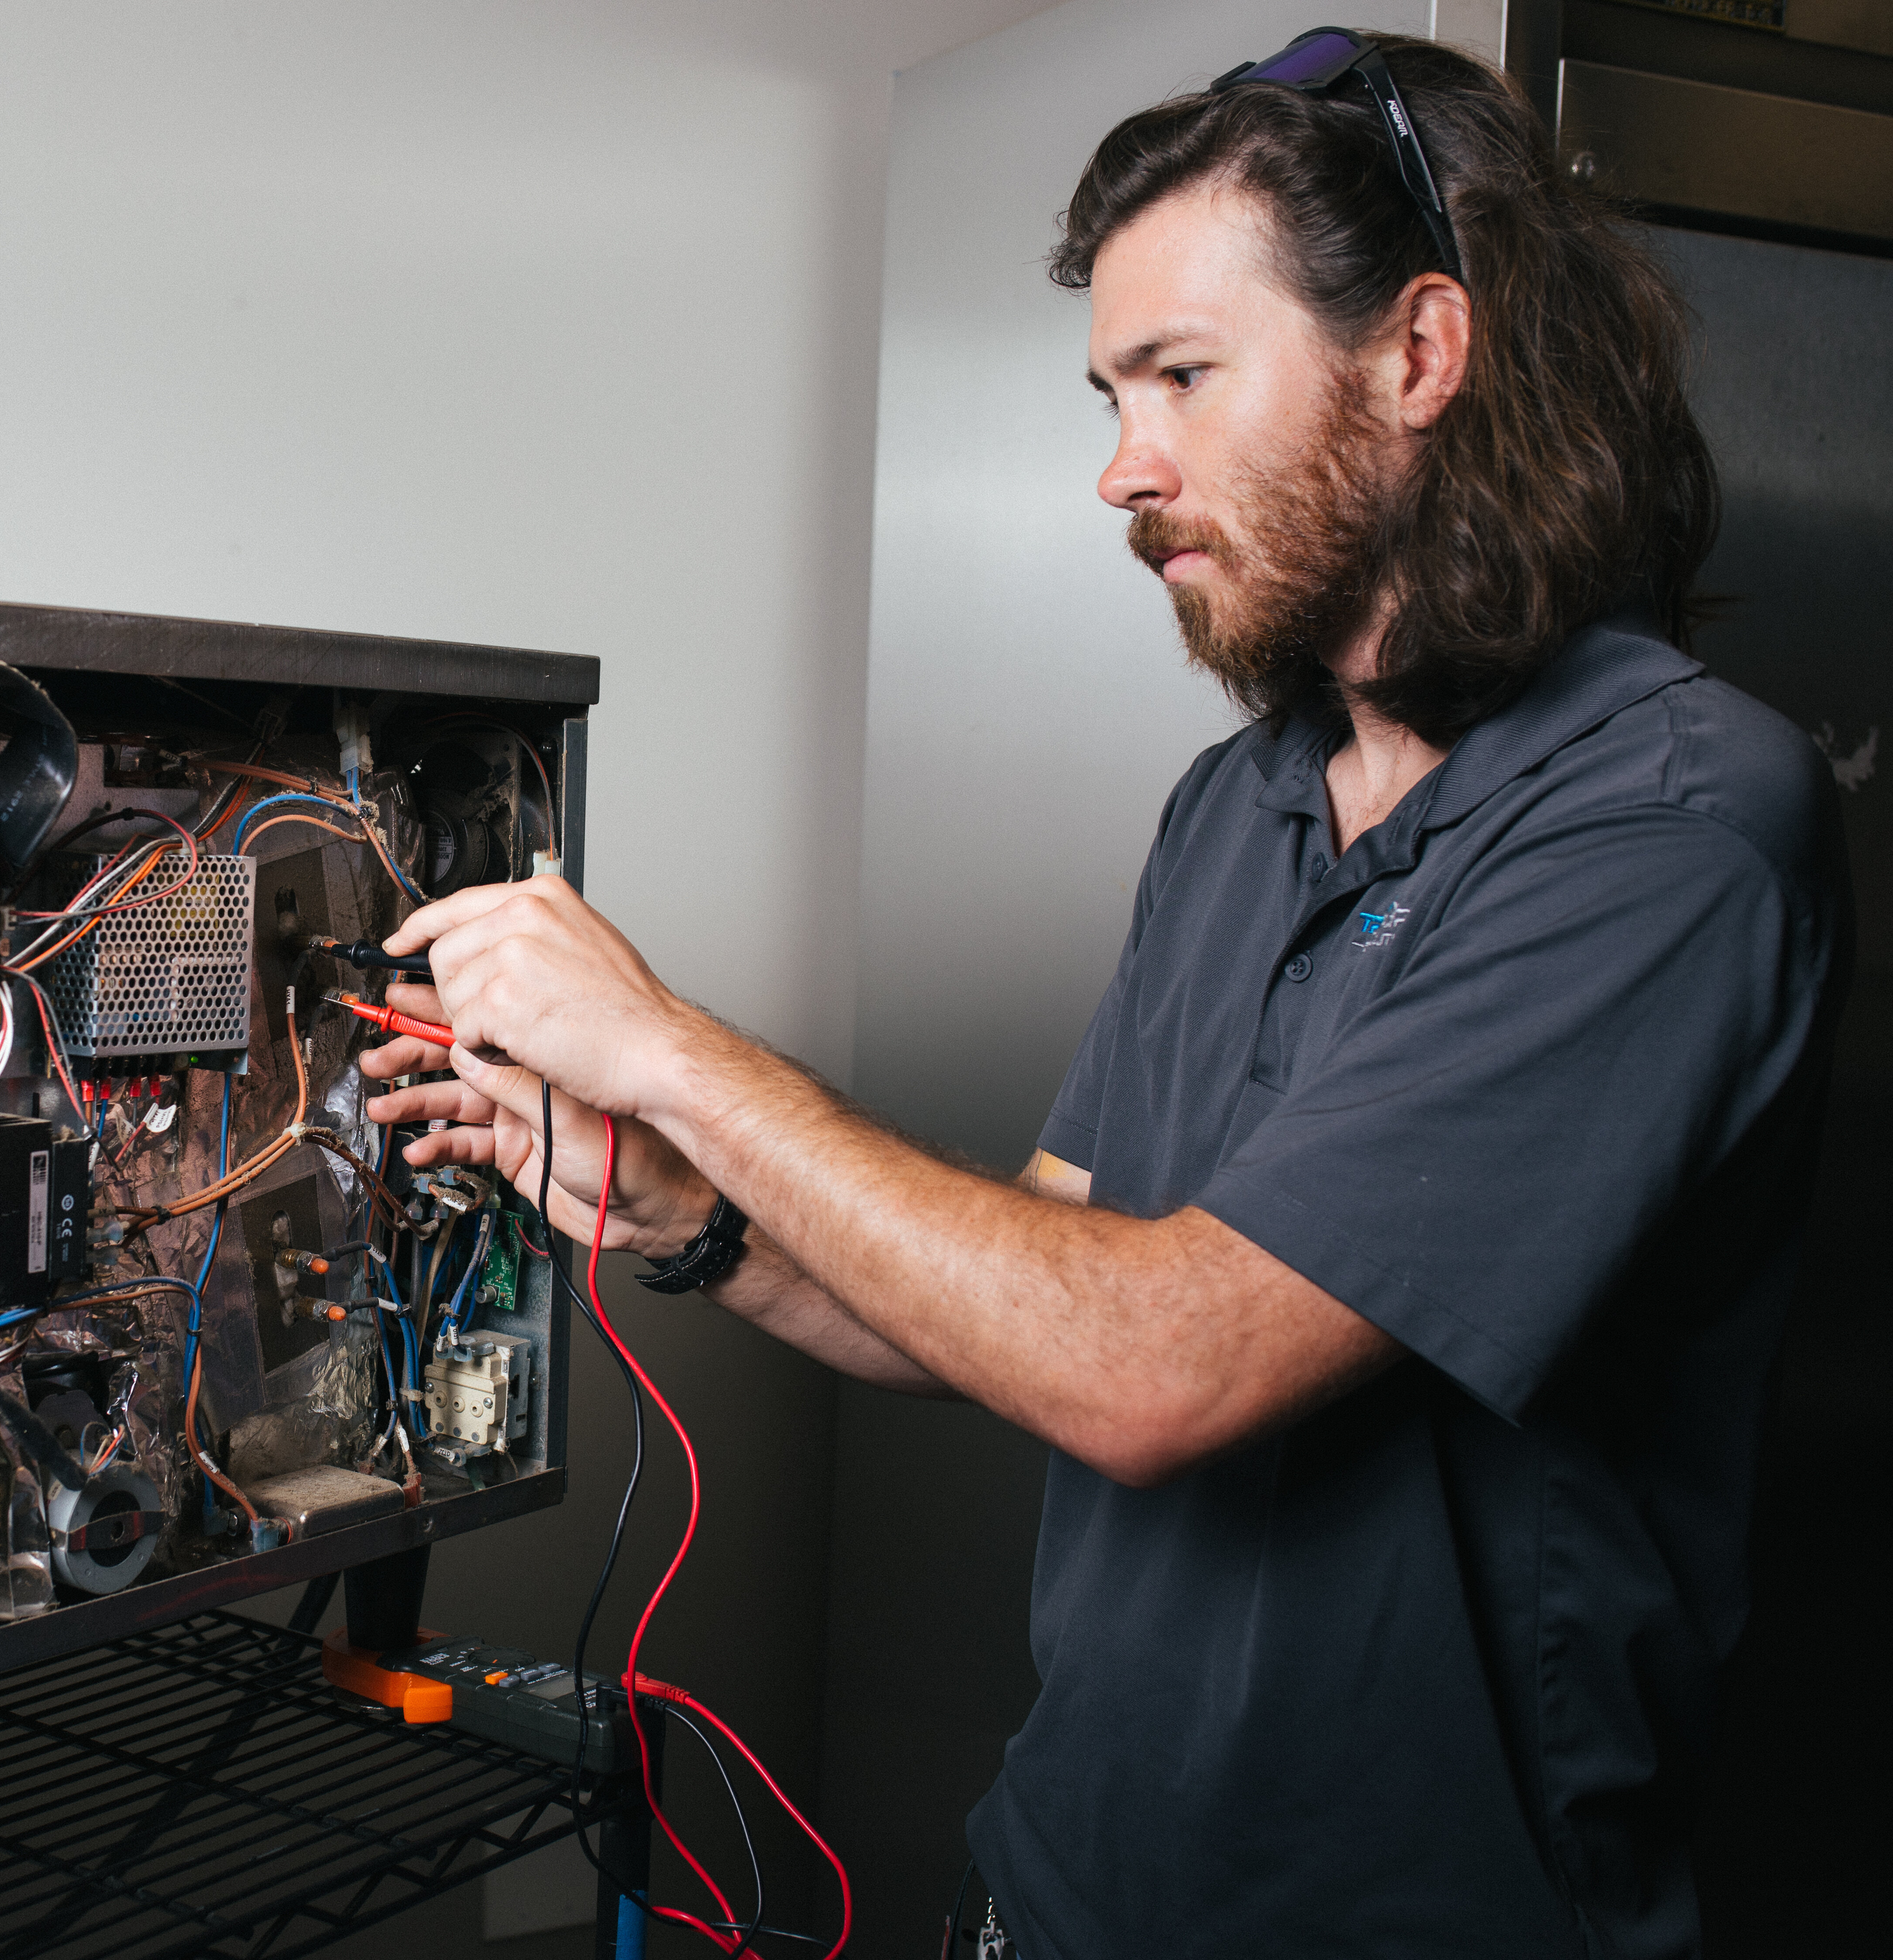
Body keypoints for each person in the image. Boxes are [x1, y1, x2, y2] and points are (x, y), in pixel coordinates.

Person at [355, 30, 1848, 1960]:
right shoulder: (1242, 805)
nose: (1121, 471)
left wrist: (678, 1049)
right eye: (1108, 392)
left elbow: (1156, 1366)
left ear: (1419, 354)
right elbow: (1043, 1275)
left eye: (1183, 380)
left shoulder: (1667, 819)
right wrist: (696, 1209)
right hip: (1070, 1880)